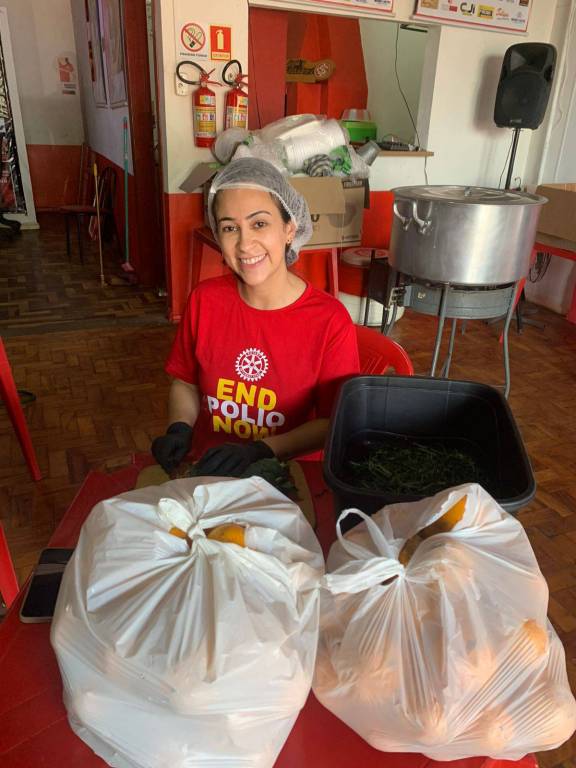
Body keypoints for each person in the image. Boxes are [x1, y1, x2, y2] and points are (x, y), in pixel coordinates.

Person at [151, 157, 359, 477]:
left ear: (289, 229)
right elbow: (186, 382)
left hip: (287, 474)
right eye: (230, 228)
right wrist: (179, 428)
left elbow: (333, 421)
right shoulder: (205, 301)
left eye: (259, 224)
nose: (245, 244)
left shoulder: (330, 321)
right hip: (208, 467)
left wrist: (262, 450)